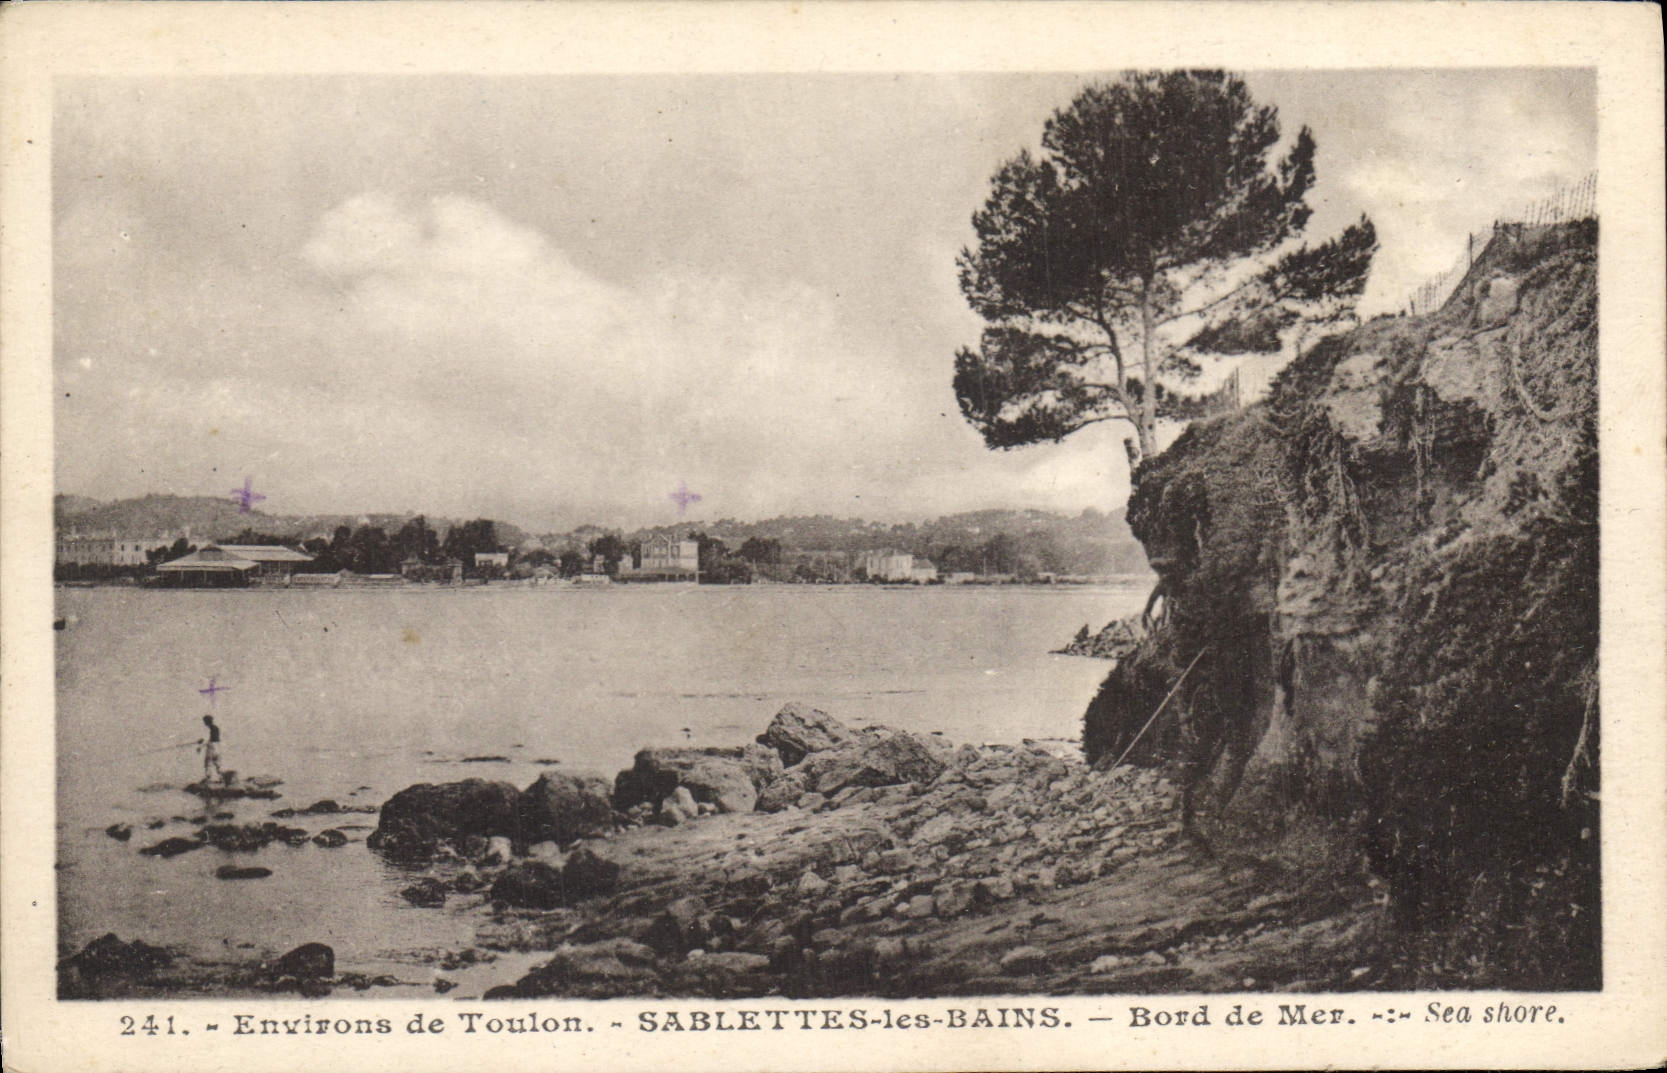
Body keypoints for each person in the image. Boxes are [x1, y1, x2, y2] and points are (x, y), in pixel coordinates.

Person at [198, 715, 224, 786]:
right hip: (218, 747)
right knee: (217, 763)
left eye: (205, 721)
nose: (204, 723)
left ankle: (208, 779)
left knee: (208, 762)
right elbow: (213, 738)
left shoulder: (210, 729)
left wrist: (200, 746)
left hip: (211, 747)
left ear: (207, 721)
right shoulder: (216, 728)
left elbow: (209, 740)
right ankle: (222, 779)